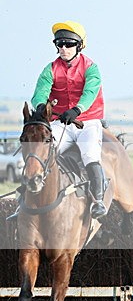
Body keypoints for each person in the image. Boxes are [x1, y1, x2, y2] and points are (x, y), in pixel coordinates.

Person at [30, 20, 108, 218]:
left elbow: (90, 93)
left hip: (87, 122)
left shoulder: (91, 68)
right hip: (60, 123)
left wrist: (77, 110)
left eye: (69, 44)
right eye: (60, 44)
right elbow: (40, 92)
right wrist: (40, 106)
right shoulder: (50, 69)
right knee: (41, 152)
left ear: (79, 46)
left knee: (90, 154)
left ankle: (98, 201)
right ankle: (29, 196)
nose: (63, 48)